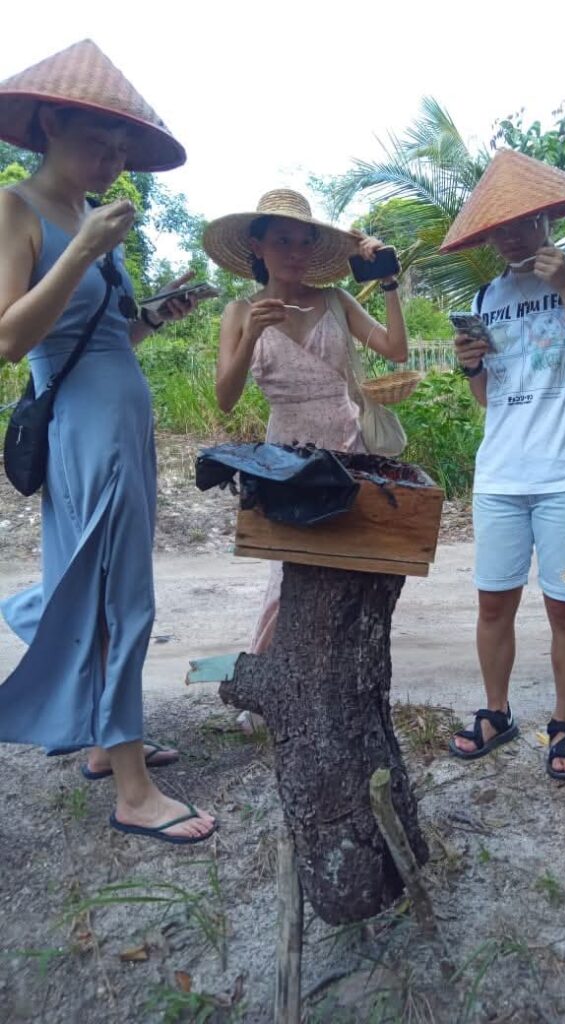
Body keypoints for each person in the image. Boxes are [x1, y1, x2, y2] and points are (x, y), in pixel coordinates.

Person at [0, 40, 215, 844]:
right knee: (122, 597)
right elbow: (11, 339)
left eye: (122, 149)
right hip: (88, 431)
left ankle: (103, 737)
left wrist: (155, 315)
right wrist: (86, 250)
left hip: (121, 419)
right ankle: (133, 790)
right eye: (100, 142)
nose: (113, 160)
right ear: (50, 124)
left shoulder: (94, 220)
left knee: (99, 583)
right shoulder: (18, 208)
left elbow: (104, 335)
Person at [442, 150, 565, 779]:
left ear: (549, 215)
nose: (512, 237)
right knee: (493, 603)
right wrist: (471, 363)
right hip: (501, 473)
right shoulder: (488, 294)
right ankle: (496, 713)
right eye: (499, 228)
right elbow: (488, 398)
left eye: (523, 221)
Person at [202, 189, 408, 657]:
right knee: (288, 573)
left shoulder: (334, 300)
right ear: (257, 246)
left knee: (348, 569)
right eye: (283, 241)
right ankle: (272, 670)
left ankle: (340, 673)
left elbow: (395, 350)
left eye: (304, 242)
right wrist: (252, 334)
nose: (296, 253)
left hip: (347, 448)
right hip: (285, 457)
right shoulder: (239, 312)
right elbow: (226, 399)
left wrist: (388, 282)